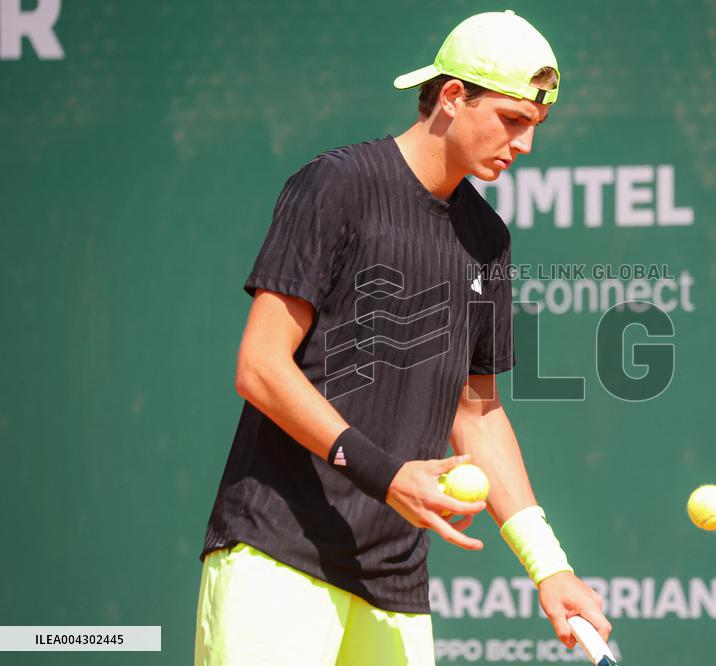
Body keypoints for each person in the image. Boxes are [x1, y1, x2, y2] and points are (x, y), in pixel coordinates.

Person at [195, 10, 612, 665]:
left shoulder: (488, 239)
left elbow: (476, 413)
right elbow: (261, 367)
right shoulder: (336, 186)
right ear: (452, 97)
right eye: (512, 120)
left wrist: (550, 569)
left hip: (395, 586)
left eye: (535, 126)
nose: (525, 144)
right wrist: (387, 476)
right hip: (277, 557)